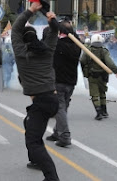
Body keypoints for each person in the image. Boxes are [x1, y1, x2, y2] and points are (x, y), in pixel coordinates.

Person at [11, 2, 60, 181]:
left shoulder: (21, 53)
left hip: (41, 102)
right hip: (51, 100)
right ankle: (35, 160)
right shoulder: (48, 51)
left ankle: (51, 177)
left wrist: (31, 11)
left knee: (33, 142)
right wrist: (52, 20)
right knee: (29, 125)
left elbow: (15, 30)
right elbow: (55, 32)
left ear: (24, 41)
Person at [46, 19, 81, 147]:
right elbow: (75, 36)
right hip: (71, 81)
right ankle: (57, 132)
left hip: (59, 81)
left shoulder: (58, 45)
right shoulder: (77, 45)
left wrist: (57, 25)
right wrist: (67, 29)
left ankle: (65, 136)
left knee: (59, 108)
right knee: (63, 107)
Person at [80, 34, 117, 120]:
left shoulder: (88, 51)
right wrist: (116, 71)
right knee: (102, 93)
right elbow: (110, 62)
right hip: (103, 76)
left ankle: (98, 113)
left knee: (95, 95)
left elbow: (82, 60)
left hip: (92, 76)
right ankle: (104, 111)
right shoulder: (104, 51)